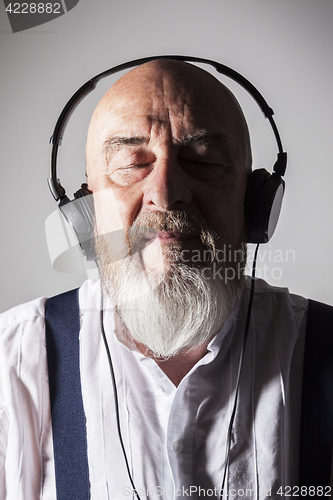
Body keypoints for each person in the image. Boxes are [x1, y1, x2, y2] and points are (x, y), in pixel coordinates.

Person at [0, 60, 331, 499]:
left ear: (254, 202)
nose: (166, 190)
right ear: (84, 214)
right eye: (132, 162)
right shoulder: (12, 365)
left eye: (204, 160)